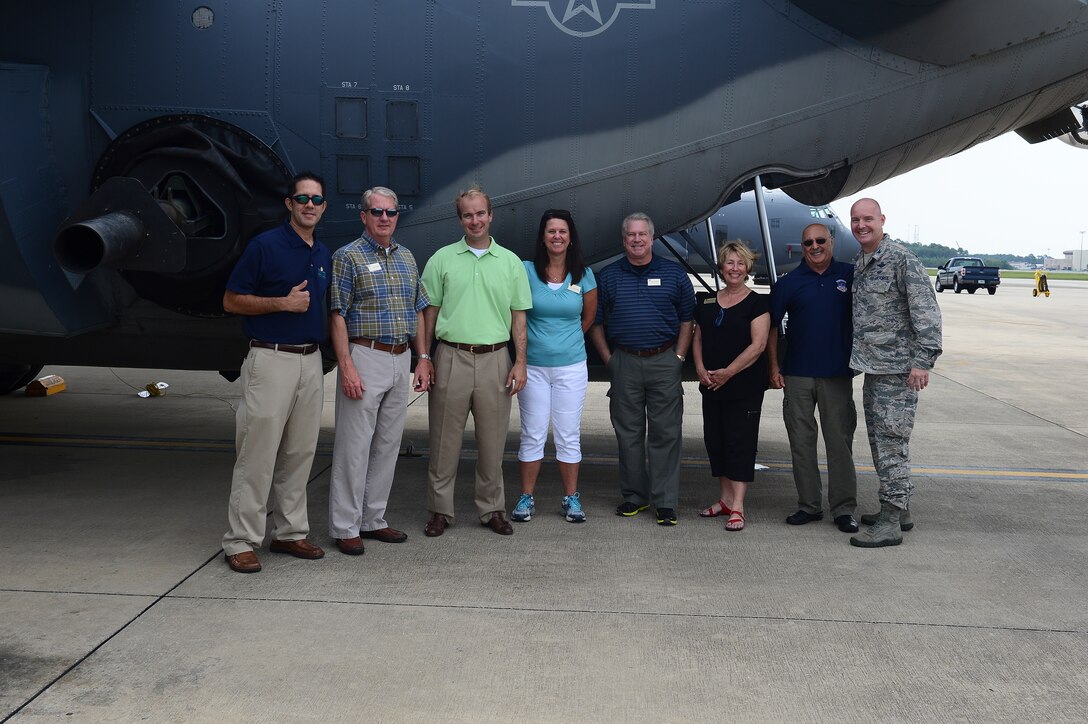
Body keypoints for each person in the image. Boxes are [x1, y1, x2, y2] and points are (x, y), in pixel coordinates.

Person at [221, 172, 332, 573]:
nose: (309, 206)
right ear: (289, 204)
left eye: (316, 200)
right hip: (270, 359)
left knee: (299, 453)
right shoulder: (265, 246)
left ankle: (290, 533)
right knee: (257, 453)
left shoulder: (321, 253)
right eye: (302, 199)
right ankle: (240, 540)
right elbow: (232, 301)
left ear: (323, 207)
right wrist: (280, 305)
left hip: (309, 361)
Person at [419, 187, 532, 537]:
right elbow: (428, 314)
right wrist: (424, 357)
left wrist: (520, 362)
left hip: (496, 359)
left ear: (490, 215)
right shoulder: (441, 259)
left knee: (492, 442)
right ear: (460, 219)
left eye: (480, 213)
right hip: (450, 355)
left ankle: (492, 509)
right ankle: (440, 511)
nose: (475, 220)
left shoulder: (511, 262)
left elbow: (518, 319)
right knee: (443, 442)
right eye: (468, 215)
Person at [327, 186, 431, 555]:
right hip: (365, 354)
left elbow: (417, 308)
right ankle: (345, 526)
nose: (384, 218)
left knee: (387, 445)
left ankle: (373, 520)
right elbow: (337, 313)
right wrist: (347, 366)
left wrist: (422, 357)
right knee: (354, 447)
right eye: (377, 212)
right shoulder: (347, 257)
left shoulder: (406, 257)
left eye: (390, 212)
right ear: (364, 216)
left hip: (400, 356)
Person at [589, 212, 696, 526]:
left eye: (642, 235)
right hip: (625, 362)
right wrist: (610, 359)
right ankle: (635, 497)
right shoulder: (608, 277)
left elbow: (687, 320)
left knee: (666, 433)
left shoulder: (674, 274)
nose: (636, 240)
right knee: (629, 435)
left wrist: (678, 358)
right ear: (624, 240)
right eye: (631, 235)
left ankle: (665, 502)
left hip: (664, 361)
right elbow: (595, 323)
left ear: (652, 238)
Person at [848, 198, 942, 548]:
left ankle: (890, 520)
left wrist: (922, 362)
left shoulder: (901, 259)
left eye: (868, 219)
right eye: (856, 219)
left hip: (899, 371)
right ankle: (899, 507)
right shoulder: (862, 261)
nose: (861, 225)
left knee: (892, 444)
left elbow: (927, 313)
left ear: (882, 219)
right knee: (880, 441)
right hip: (874, 367)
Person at [768, 223, 859, 533]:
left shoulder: (850, 275)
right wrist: (773, 366)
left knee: (839, 444)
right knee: (801, 443)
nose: (815, 246)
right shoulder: (788, 283)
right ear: (802, 246)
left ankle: (844, 509)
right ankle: (808, 505)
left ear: (831, 242)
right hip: (797, 375)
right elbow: (772, 328)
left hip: (836, 375)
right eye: (808, 242)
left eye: (821, 240)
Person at [511, 210, 597, 524]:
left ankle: (571, 499)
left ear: (570, 237)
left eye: (562, 231)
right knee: (532, 434)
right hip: (532, 368)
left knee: (568, 435)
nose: (557, 237)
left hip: (571, 367)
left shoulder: (584, 274)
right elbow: (516, 314)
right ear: (543, 237)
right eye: (551, 232)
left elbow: (587, 318)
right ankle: (526, 497)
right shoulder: (526, 270)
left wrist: (564, 342)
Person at [692, 242, 770, 532]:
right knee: (717, 442)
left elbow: (758, 345)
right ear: (721, 267)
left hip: (743, 387)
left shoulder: (758, 303)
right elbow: (697, 337)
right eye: (729, 263)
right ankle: (724, 500)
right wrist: (699, 368)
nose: (734, 268)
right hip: (712, 385)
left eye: (740, 263)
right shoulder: (709, 301)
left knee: (740, 443)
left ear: (748, 268)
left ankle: (737, 506)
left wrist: (729, 373)